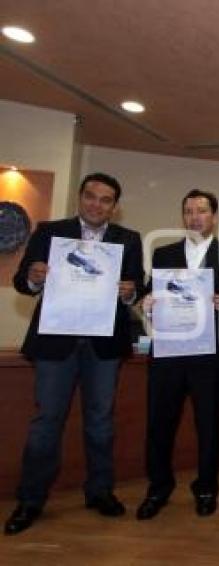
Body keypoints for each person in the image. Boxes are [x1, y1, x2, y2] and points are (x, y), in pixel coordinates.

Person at [4, 173, 144, 535]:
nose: (97, 204)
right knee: (46, 422)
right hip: (56, 342)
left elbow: (136, 287)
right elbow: (23, 281)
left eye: (105, 199)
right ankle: (30, 500)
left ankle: (100, 492)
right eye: (91, 197)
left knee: (100, 421)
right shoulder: (50, 232)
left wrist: (129, 292)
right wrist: (34, 277)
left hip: (103, 345)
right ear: (80, 197)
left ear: (115, 205)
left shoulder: (127, 240)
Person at [135, 189, 219, 520]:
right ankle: (158, 488)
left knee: (209, 426)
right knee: (159, 425)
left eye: (202, 211)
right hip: (168, 354)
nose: (195, 217)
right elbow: (149, 298)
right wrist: (145, 306)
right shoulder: (163, 254)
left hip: (210, 358)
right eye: (189, 211)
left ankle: (206, 488)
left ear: (215, 216)